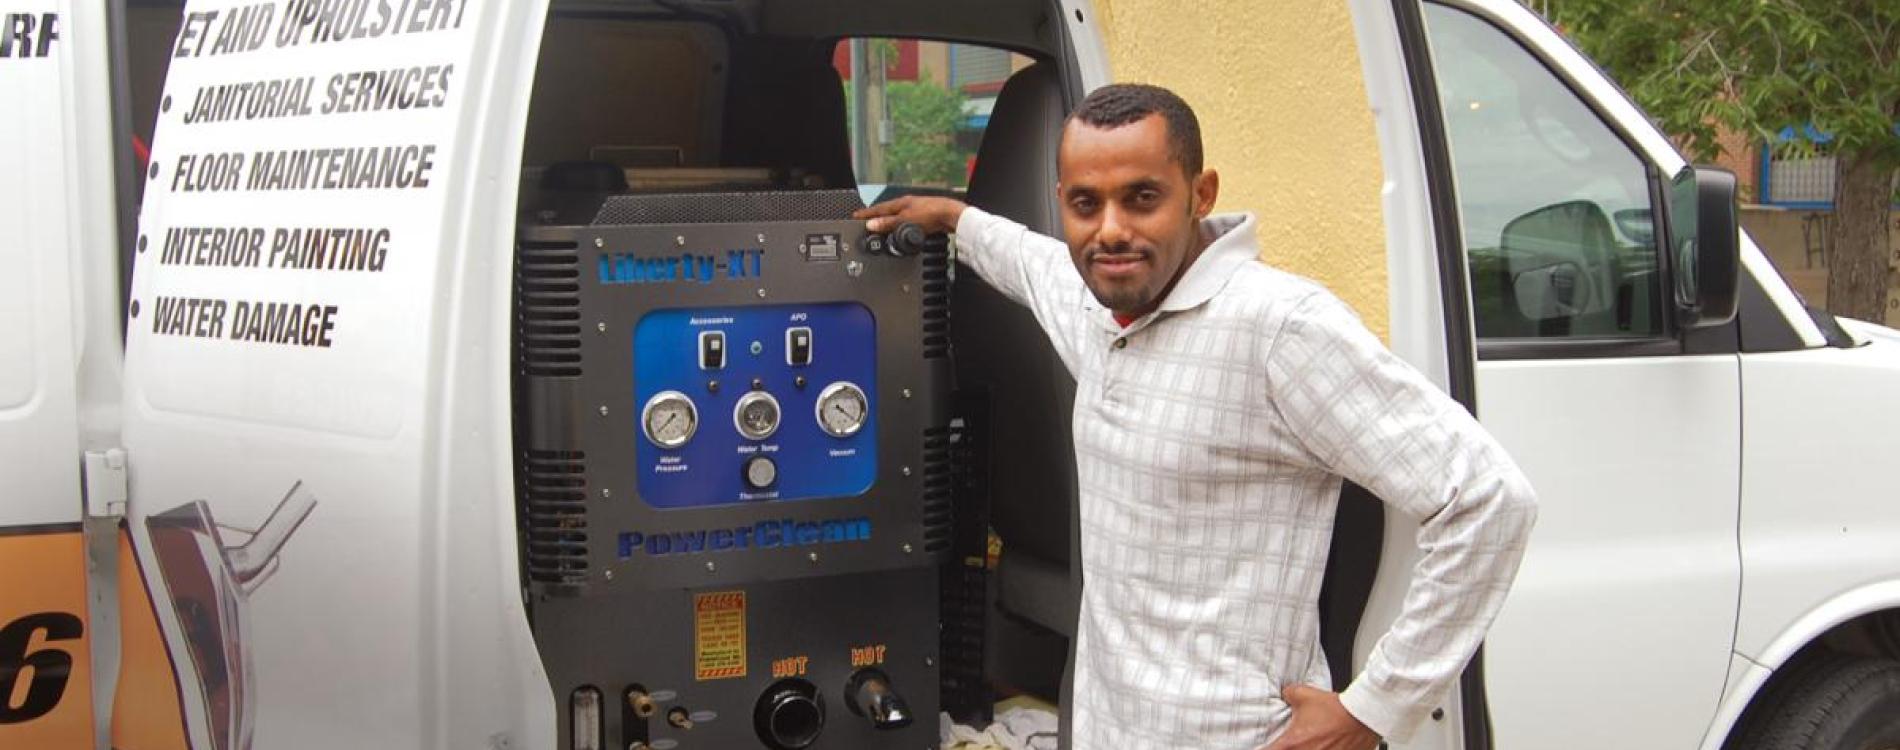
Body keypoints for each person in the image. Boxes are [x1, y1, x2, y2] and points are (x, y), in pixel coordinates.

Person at [855, 84, 1537, 750]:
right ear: (1062, 203)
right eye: (1086, 204)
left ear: (1200, 195)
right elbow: (1030, 262)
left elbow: (1487, 497)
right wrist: (952, 218)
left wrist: (1375, 706)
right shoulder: (1101, 306)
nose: (1112, 230)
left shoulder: (1281, 328)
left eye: (1142, 198)